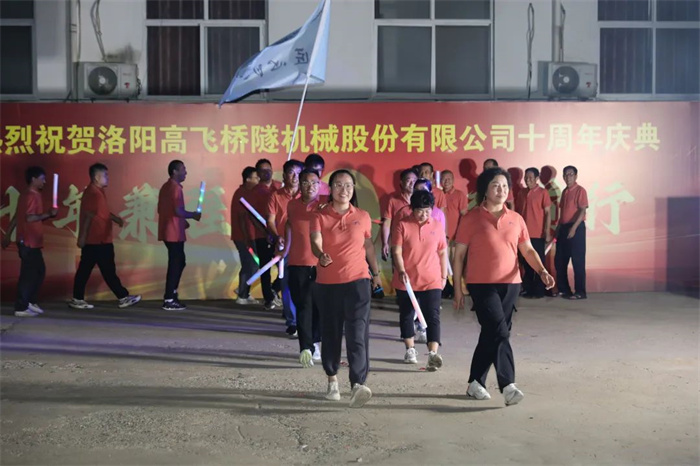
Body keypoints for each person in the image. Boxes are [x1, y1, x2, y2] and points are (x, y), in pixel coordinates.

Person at [453, 167, 555, 406]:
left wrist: (542, 271)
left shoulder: (516, 218)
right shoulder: (471, 218)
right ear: (485, 190)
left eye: (505, 186)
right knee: (499, 331)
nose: (501, 190)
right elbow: (458, 256)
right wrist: (457, 288)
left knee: (491, 333)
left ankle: (475, 383)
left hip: (511, 284)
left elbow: (527, 250)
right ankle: (508, 385)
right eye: (496, 185)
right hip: (481, 284)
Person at [310, 169, 382, 408]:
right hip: (328, 284)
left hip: (358, 281)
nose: (344, 190)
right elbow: (315, 240)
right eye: (339, 185)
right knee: (331, 333)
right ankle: (332, 379)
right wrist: (320, 254)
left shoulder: (362, 215)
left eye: (349, 185)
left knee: (357, 333)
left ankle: (357, 384)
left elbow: (368, 245)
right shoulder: (319, 215)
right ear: (330, 188)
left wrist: (376, 274)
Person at [69, 163, 141, 310]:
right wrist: (82, 237)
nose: (108, 178)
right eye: (105, 175)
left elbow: (102, 213)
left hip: (98, 240)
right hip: (98, 240)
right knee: (105, 271)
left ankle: (78, 298)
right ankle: (123, 297)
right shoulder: (93, 193)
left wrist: (116, 219)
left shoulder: (98, 192)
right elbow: (88, 216)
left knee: (89, 270)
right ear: (97, 177)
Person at [391, 190, 448, 370]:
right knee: (407, 314)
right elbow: (397, 251)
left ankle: (433, 354)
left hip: (432, 278)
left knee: (433, 315)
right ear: (412, 209)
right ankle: (410, 349)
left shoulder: (437, 225)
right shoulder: (402, 225)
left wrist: (444, 276)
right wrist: (401, 270)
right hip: (407, 280)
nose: (424, 214)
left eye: (427, 211)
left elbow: (442, 252)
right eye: (419, 211)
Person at [278, 168, 324, 367]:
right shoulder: (292, 205)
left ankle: (314, 343)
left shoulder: (324, 206)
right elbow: (289, 226)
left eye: (314, 183)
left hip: (320, 264)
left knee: (318, 308)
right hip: (297, 264)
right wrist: (285, 249)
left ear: (319, 185)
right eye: (305, 182)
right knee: (303, 306)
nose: (310, 186)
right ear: (299, 184)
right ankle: (306, 347)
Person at [2, 166, 57, 317]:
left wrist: (8, 235)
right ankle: (21, 307)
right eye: (42, 179)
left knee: (39, 272)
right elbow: (29, 217)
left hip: (30, 241)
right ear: (33, 179)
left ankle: (30, 302)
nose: (44, 182)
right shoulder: (31, 195)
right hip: (29, 241)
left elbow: (17, 217)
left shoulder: (25, 194)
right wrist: (49, 214)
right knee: (29, 275)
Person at [157, 160, 201, 311]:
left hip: (170, 230)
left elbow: (164, 209)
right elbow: (178, 211)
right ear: (175, 171)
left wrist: (183, 222)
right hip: (173, 233)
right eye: (183, 169)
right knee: (176, 263)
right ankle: (169, 299)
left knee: (179, 262)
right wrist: (193, 215)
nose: (185, 172)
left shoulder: (166, 187)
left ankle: (172, 294)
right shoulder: (175, 188)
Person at [267, 159, 305, 337]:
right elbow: (270, 221)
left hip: (305, 247)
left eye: (299, 173)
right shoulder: (276, 196)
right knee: (287, 284)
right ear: (284, 175)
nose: (295, 177)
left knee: (305, 285)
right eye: (291, 173)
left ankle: (306, 320)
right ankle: (293, 322)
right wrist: (277, 236)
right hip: (285, 248)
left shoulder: (308, 195)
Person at [250, 158, 283, 311]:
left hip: (280, 235)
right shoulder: (255, 192)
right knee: (265, 268)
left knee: (286, 266)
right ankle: (268, 299)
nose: (267, 172)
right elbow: (252, 216)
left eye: (269, 169)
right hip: (262, 236)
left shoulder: (280, 187)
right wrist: (266, 232)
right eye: (263, 170)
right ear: (258, 173)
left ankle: (274, 290)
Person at [517, 168, 552, 299]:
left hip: (538, 233)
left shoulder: (543, 192)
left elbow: (548, 213)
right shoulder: (522, 192)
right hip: (523, 234)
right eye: (526, 178)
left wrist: (546, 231)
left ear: (537, 178)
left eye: (531, 178)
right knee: (526, 263)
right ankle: (528, 288)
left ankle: (538, 291)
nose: (528, 180)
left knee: (538, 262)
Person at [554, 165, 588, 300]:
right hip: (563, 227)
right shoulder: (564, 192)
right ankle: (564, 290)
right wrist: (558, 228)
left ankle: (580, 292)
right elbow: (563, 212)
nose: (568, 177)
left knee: (577, 261)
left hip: (576, 228)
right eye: (566, 175)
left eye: (571, 174)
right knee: (560, 260)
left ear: (576, 176)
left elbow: (582, 210)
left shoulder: (580, 190)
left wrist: (574, 228)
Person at [230, 166, 260, 305]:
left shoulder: (250, 193)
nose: (258, 180)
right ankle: (242, 294)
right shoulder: (241, 194)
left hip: (249, 236)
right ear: (247, 179)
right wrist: (247, 239)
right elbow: (242, 218)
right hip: (243, 237)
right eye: (255, 177)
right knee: (252, 265)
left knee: (250, 264)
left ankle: (244, 291)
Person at [441, 170, 468, 299]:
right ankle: (446, 289)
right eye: (444, 179)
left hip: (455, 237)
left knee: (455, 264)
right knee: (443, 264)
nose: (446, 181)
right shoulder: (438, 194)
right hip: (441, 237)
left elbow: (464, 215)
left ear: (453, 180)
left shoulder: (459, 195)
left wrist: (461, 233)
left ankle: (458, 289)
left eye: (449, 179)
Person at [380, 168, 417, 261]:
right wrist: (385, 243)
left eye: (414, 180)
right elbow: (387, 223)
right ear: (401, 182)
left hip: (417, 245)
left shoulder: (421, 201)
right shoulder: (393, 201)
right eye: (408, 180)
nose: (412, 183)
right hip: (398, 245)